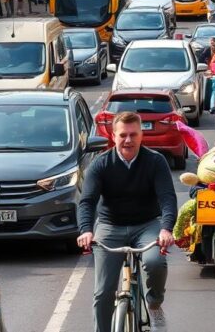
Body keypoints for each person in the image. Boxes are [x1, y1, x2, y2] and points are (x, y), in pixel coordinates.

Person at [76, 111, 177, 332]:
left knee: (155, 263)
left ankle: (154, 304)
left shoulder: (155, 162)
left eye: (133, 135)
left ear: (142, 136)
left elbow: (167, 198)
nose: (128, 140)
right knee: (102, 292)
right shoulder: (101, 164)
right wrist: (85, 230)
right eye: (123, 135)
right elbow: (87, 201)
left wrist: (166, 229)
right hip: (110, 226)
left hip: (147, 225)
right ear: (114, 136)